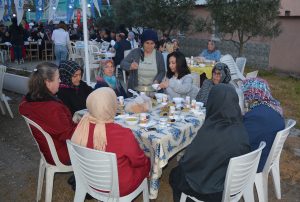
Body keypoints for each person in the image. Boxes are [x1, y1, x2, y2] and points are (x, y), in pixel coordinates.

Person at [169, 84, 250, 202]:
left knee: (175, 175)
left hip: (212, 191)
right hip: (231, 184)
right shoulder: (240, 127)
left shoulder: (211, 130)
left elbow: (190, 161)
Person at [71, 87, 150, 196]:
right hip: (119, 187)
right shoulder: (123, 134)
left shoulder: (81, 127)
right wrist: (148, 161)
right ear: (111, 106)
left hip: (88, 179)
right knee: (147, 162)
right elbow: (139, 161)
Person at [19, 62, 77, 165]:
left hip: (49, 150)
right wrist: (85, 125)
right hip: (63, 153)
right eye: (58, 78)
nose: (60, 81)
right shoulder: (52, 108)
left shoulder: (28, 102)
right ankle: (87, 175)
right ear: (47, 82)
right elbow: (69, 135)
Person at [242, 78, 285, 172]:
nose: (245, 98)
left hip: (254, 163)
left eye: (245, 94)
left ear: (252, 95)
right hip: (267, 155)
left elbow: (242, 141)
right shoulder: (274, 108)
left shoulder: (256, 116)